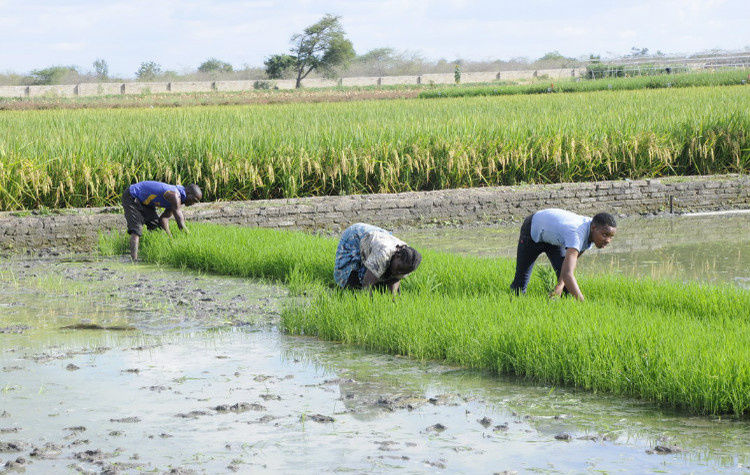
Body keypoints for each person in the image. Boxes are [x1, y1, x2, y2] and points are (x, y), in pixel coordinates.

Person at [510, 209, 617, 301]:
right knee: (519, 286)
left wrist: (559, 286)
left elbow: (568, 268)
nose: (608, 240)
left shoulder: (592, 234)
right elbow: (567, 274)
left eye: (611, 237)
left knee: (567, 288)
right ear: (593, 228)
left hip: (554, 238)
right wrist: (583, 303)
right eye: (605, 235)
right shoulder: (577, 234)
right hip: (533, 229)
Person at [334, 223, 422, 297]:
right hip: (355, 235)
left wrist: (394, 299)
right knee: (351, 284)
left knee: (383, 283)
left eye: (402, 272)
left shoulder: (409, 264)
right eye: (398, 268)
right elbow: (367, 284)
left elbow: (395, 280)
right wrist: (369, 302)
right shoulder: (383, 254)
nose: (398, 272)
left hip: (378, 239)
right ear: (397, 255)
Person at [122, 180, 202, 261]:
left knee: (156, 228)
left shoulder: (177, 198)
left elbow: (164, 219)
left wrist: (170, 238)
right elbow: (180, 223)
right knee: (136, 229)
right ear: (188, 193)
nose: (194, 203)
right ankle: (134, 261)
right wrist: (192, 239)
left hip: (146, 202)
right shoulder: (174, 195)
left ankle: (153, 255)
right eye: (194, 200)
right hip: (132, 196)